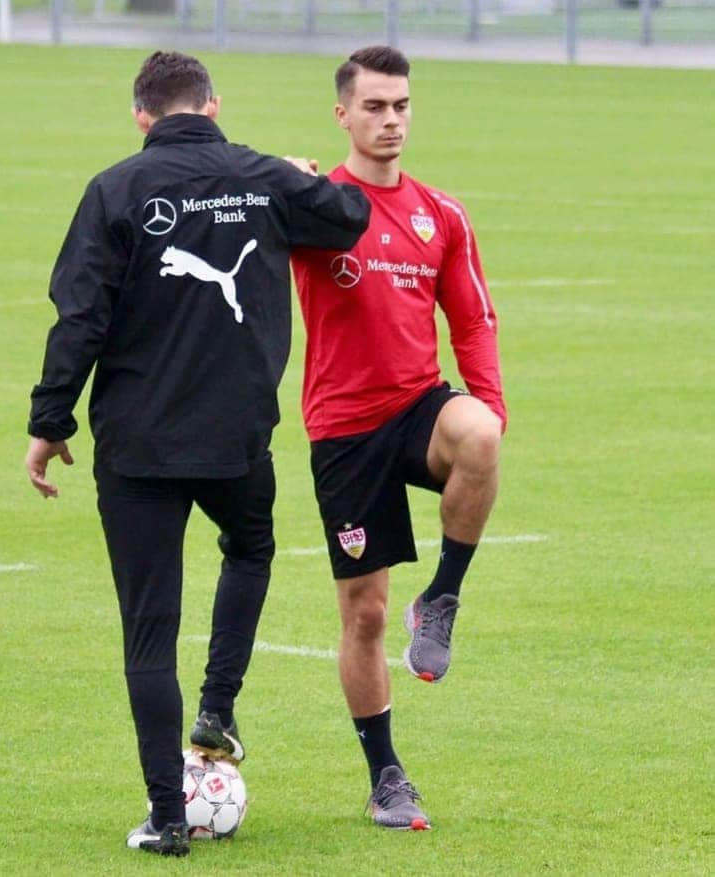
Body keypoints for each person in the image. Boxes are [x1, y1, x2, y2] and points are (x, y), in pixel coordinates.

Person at [24, 51, 369, 857]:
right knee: (250, 545)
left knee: (149, 630)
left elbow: (79, 315)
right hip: (236, 435)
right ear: (214, 105)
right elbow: (345, 217)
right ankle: (218, 704)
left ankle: (167, 818)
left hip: (137, 445)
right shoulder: (262, 177)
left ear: (141, 117)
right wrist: (290, 175)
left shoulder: (114, 189)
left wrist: (51, 421)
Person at [291, 46, 507, 831]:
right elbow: (237, 218)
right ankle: (386, 774)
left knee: (482, 434)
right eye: (375, 106)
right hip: (344, 431)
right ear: (343, 114)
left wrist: (489, 407)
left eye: (402, 105)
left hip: (419, 406)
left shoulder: (440, 213)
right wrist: (277, 176)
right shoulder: (316, 203)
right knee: (366, 616)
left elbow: (474, 321)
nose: (391, 121)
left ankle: (443, 595)